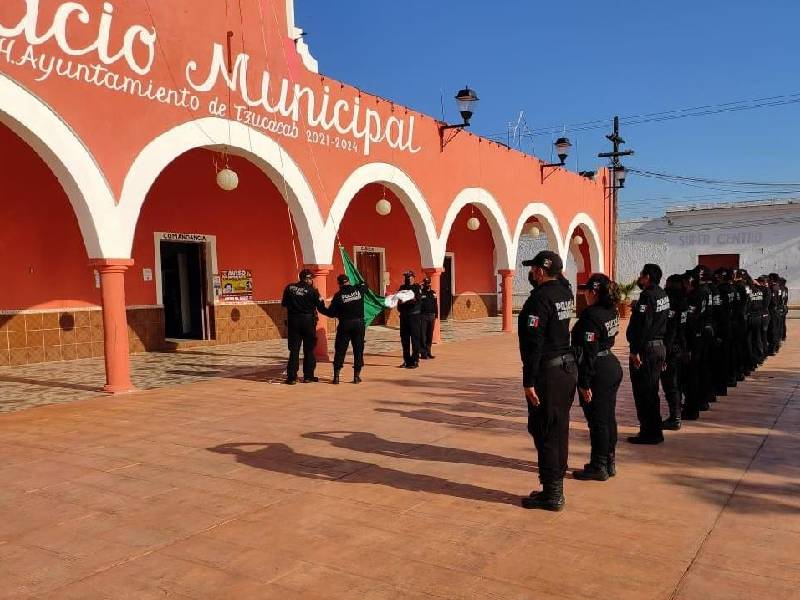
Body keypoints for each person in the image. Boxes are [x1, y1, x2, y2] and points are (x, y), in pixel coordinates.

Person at [517, 251, 577, 511]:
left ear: (540, 272)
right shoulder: (565, 294)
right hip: (566, 369)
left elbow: (534, 344)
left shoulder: (539, 300)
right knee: (558, 427)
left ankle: (552, 492)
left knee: (545, 430)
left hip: (548, 374)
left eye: (532, 269)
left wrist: (528, 380)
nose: (530, 273)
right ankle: (555, 486)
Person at [571, 274, 623, 481]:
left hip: (598, 370)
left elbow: (589, 351)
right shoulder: (611, 310)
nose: (583, 294)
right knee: (608, 417)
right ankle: (609, 461)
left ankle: (599, 465)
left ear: (593, 292)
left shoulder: (591, 316)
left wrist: (584, 382)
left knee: (598, 421)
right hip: (609, 365)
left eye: (586, 290)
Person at [626, 263, 669, 444]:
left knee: (644, 393)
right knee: (652, 391)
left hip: (646, 350)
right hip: (658, 347)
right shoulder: (662, 294)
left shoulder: (647, 296)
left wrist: (635, 350)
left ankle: (649, 433)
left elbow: (644, 326)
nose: (639, 277)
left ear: (648, 277)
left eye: (642, 275)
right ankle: (654, 430)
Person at [318, 274, 367, 384]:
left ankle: (336, 377)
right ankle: (356, 377)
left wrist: (320, 306)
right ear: (348, 281)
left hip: (345, 324)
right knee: (358, 350)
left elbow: (330, 313)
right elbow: (365, 285)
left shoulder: (338, 295)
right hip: (359, 324)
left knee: (340, 350)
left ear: (339, 284)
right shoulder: (358, 290)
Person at [281, 269, 322, 385]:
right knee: (309, 350)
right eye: (311, 279)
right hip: (308, 321)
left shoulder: (289, 288)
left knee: (294, 350)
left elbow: (284, 304)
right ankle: (308, 376)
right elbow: (320, 305)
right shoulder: (313, 291)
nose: (312, 281)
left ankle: (291, 377)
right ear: (308, 279)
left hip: (293, 321)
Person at [661, 273, 689, 431]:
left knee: (670, 384)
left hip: (671, 347)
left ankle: (675, 417)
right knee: (677, 383)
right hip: (681, 346)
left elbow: (671, 329)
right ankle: (677, 412)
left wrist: (666, 351)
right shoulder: (684, 300)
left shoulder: (671, 302)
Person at [397, 271, 422, 368]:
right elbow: (399, 300)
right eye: (406, 277)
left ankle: (415, 360)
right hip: (404, 316)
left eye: (409, 277)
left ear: (413, 278)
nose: (407, 279)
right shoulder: (402, 288)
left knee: (415, 339)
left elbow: (416, 301)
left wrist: (405, 301)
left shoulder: (417, 288)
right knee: (404, 340)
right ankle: (406, 360)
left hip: (414, 316)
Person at [419, 277, 438, 359]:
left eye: (428, 283)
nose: (427, 285)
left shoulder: (433, 293)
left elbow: (435, 304)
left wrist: (436, 314)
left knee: (429, 335)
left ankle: (428, 352)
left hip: (431, 316)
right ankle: (423, 353)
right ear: (424, 284)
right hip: (423, 316)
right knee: (423, 335)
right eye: (426, 283)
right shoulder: (421, 293)